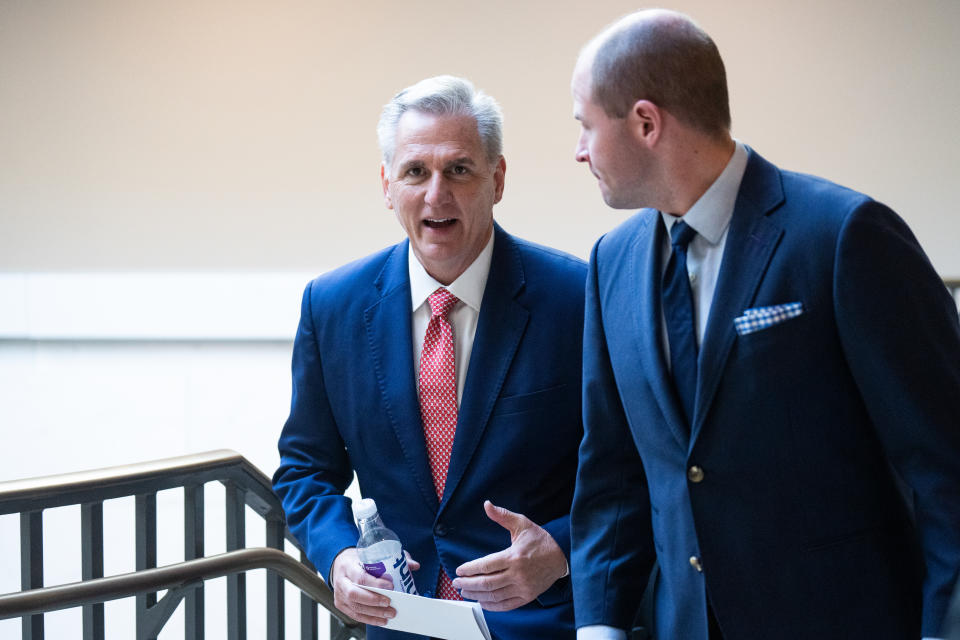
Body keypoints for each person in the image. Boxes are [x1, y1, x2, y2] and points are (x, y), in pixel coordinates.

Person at [568, 9, 960, 640]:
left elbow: (945, 469)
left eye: (585, 126)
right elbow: (612, 477)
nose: (579, 150)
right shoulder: (609, 265)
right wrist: (601, 628)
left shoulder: (843, 237)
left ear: (645, 122)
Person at [273, 75, 585, 639]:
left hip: (539, 622)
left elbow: (631, 468)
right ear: (387, 184)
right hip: (399, 624)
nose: (436, 194)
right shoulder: (333, 305)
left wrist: (561, 548)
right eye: (416, 171)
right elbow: (306, 470)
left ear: (498, 178)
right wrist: (339, 553)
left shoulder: (578, 298)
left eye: (459, 169)